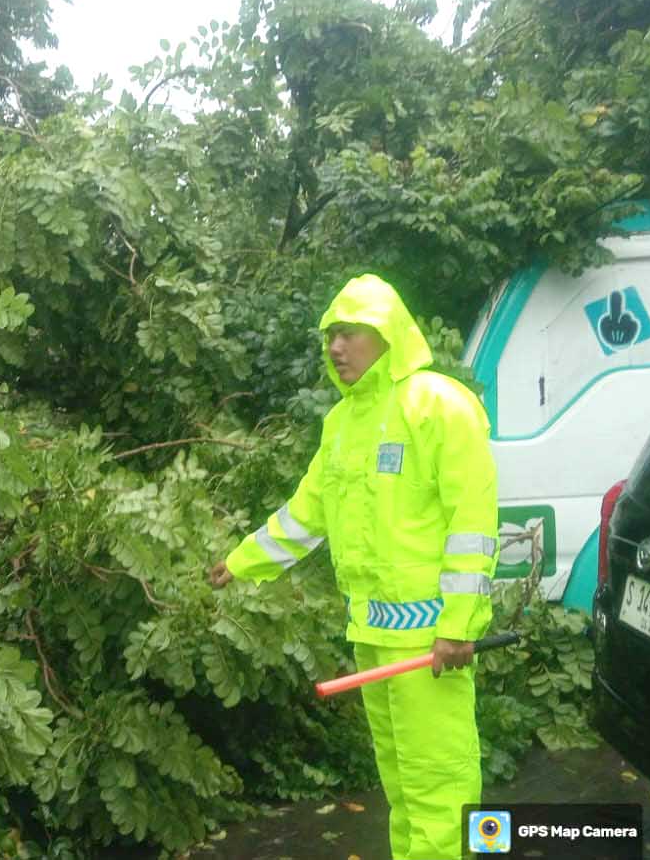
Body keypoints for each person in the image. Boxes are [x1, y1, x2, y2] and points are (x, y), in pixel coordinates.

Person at [209, 274, 498, 860]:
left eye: (349, 333)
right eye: (330, 336)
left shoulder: (438, 405)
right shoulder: (343, 424)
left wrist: (459, 625)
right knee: (402, 787)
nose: (336, 347)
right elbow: (306, 513)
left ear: (388, 333)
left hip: (428, 641)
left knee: (440, 784)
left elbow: (472, 520)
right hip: (372, 636)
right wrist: (241, 562)